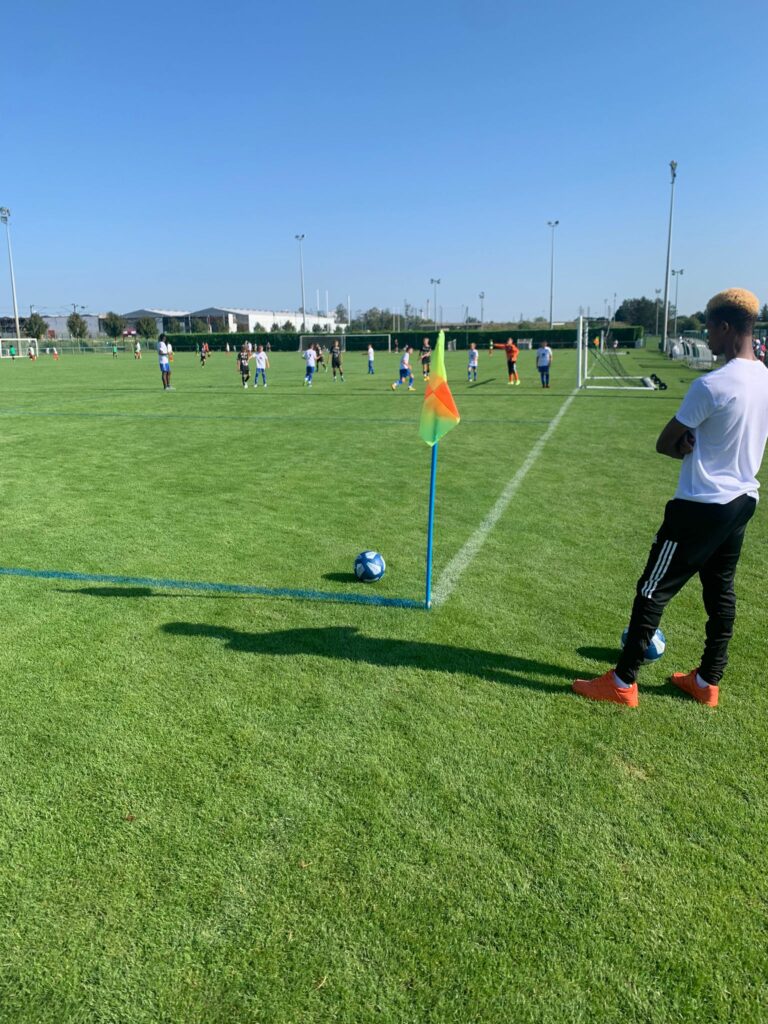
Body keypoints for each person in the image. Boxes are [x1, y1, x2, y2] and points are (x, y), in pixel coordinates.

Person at [573, 288, 768, 708]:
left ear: (725, 327)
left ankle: (622, 682)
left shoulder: (711, 384)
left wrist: (682, 445)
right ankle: (707, 682)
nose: (707, 338)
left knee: (652, 588)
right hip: (742, 501)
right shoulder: (765, 378)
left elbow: (665, 442)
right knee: (721, 593)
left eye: (710, 329)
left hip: (700, 505)